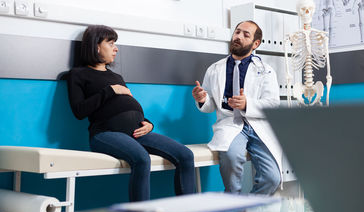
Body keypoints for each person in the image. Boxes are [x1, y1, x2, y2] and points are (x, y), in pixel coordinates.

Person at [67, 25, 195, 202]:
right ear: (96, 46)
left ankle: (190, 211)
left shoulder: (116, 76)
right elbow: (79, 111)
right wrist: (109, 91)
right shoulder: (78, 75)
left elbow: (128, 106)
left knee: (186, 155)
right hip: (106, 134)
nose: (116, 48)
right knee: (142, 159)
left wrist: (148, 123)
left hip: (137, 132)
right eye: (111, 43)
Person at [192, 20, 281, 195]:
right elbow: (210, 105)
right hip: (230, 123)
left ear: (255, 44)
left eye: (245, 34)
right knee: (232, 160)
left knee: (272, 178)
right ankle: (233, 207)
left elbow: (273, 104)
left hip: (258, 126)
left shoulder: (266, 70)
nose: (238, 36)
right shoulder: (214, 69)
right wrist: (202, 99)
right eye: (237, 32)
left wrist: (247, 104)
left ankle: (247, 211)